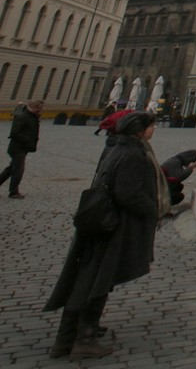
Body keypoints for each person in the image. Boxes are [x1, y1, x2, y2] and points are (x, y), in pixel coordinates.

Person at [44, 111, 167, 358]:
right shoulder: (133, 154)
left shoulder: (114, 149)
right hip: (113, 227)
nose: (153, 130)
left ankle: (65, 339)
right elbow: (127, 193)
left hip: (98, 222)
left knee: (86, 279)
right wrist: (153, 209)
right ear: (139, 131)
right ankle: (84, 340)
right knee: (97, 281)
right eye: (151, 127)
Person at [0, 100, 43, 198]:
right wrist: (28, 140)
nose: (40, 110)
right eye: (38, 108)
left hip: (23, 147)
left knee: (10, 170)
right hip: (17, 148)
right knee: (18, 170)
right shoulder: (23, 117)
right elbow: (14, 133)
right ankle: (13, 192)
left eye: (41, 109)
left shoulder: (32, 117)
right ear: (32, 107)